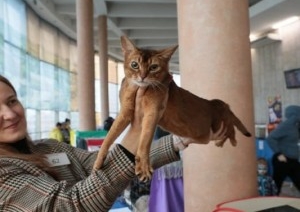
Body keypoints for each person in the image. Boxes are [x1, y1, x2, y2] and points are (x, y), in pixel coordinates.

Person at [0, 75, 226, 211]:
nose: (10, 114)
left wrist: (180, 138)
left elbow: (100, 165)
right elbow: (71, 206)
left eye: (12, 101)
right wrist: (138, 125)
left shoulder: (49, 147)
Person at [266, 105, 300, 195]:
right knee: (276, 187)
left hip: (292, 160)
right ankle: (271, 205)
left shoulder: (295, 126)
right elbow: (270, 138)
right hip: (283, 161)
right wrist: (279, 154)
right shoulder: (287, 125)